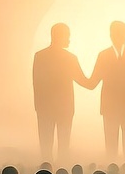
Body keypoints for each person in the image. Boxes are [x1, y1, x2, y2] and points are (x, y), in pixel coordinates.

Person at [33, 23, 95, 161]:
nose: (69, 39)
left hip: (44, 109)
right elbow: (85, 82)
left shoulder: (40, 56)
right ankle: (62, 171)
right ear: (60, 36)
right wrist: (99, 75)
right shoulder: (69, 58)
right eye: (67, 36)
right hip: (64, 109)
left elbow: (36, 84)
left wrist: (39, 107)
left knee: (45, 148)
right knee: (63, 148)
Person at [88, 21, 125, 161]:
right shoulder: (103, 55)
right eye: (114, 33)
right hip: (111, 108)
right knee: (110, 147)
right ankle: (112, 171)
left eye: (119, 33)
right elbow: (93, 81)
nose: (117, 36)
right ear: (110, 35)